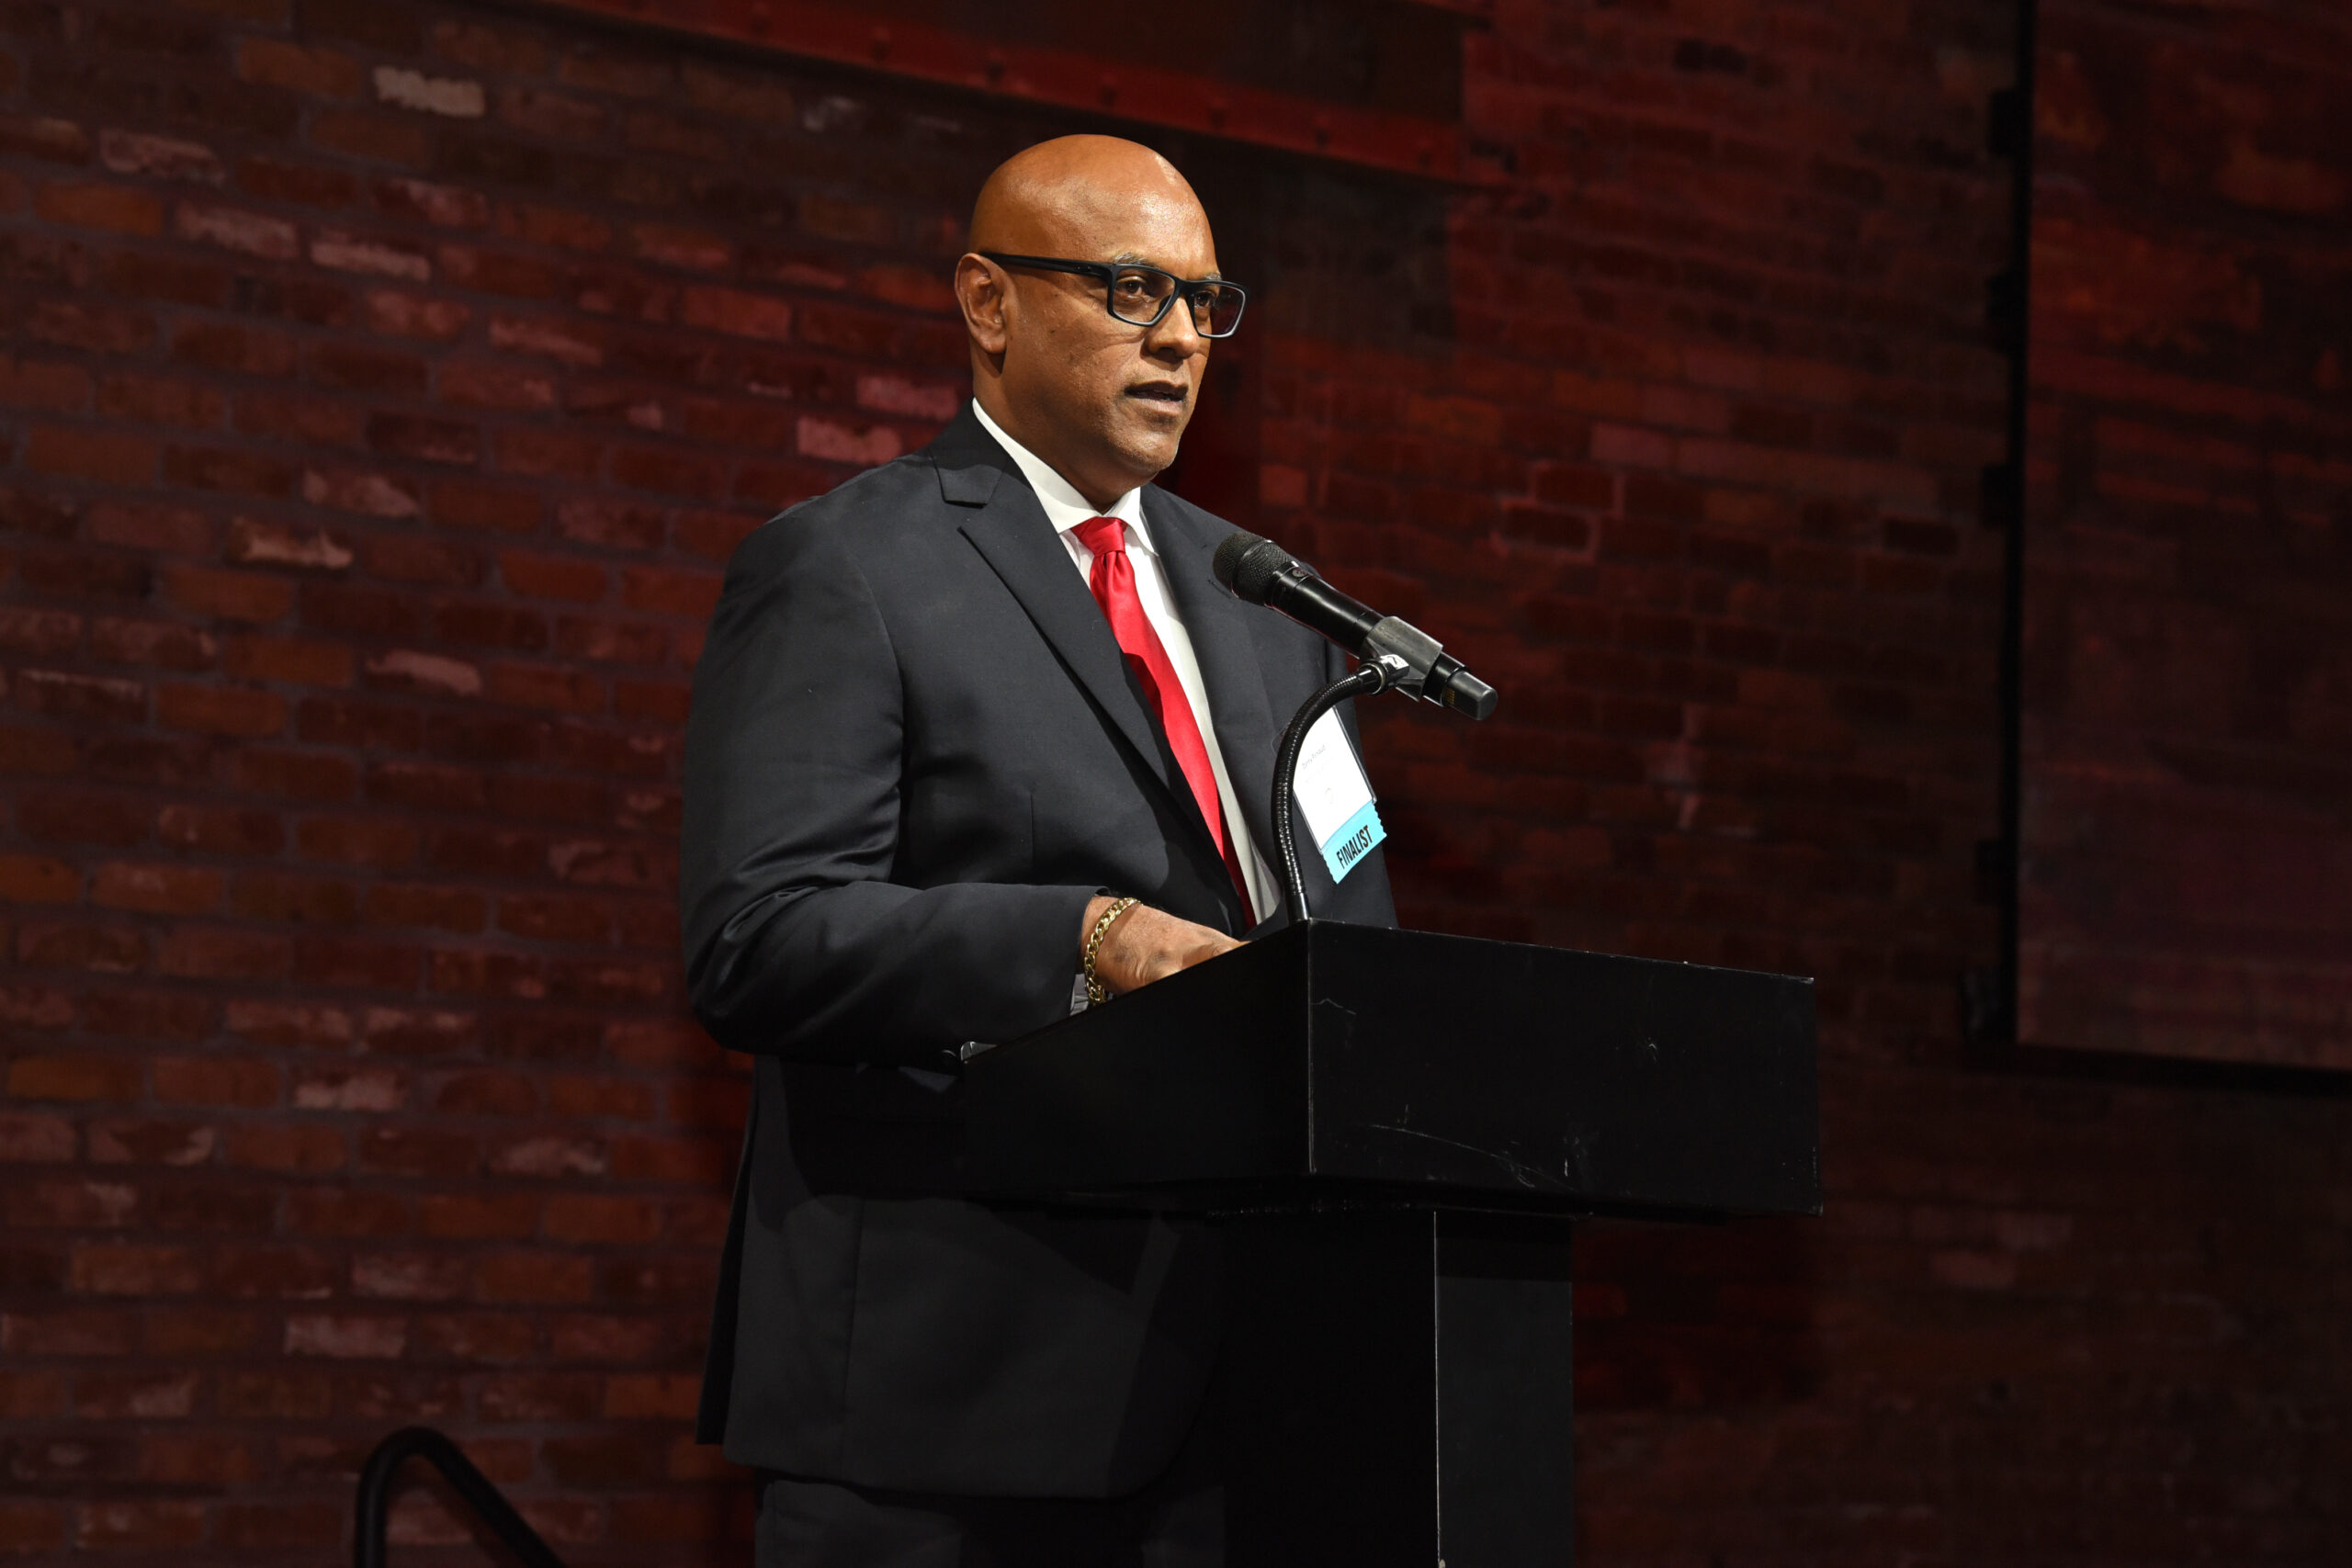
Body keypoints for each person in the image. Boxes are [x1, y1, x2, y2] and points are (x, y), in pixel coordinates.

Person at [681, 134, 1396, 1566]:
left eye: (1206, 302)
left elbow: (1350, 955)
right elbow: (761, 934)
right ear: (989, 303)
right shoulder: (850, 566)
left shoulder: (1267, 605)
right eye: (1133, 290)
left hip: (1256, 1407)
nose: (1181, 338)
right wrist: (1083, 939)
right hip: (953, 1413)